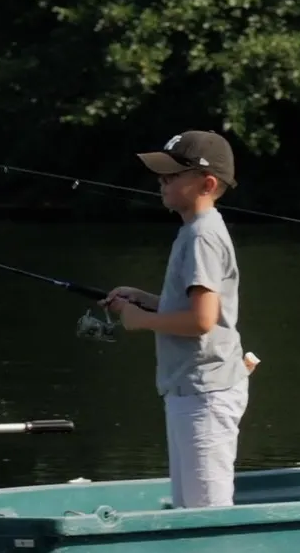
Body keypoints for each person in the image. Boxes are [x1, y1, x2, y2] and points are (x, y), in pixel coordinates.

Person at [101, 130, 250, 509]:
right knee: (189, 507)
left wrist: (140, 320)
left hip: (205, 393)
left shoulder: (202, 236)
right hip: (189, 387)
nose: (162, 182)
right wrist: (146, 300)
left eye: (172, 176)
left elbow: (202, 321)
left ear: (208, 183)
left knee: (208, 510)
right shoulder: (192, 231)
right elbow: (196, 308)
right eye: (161, 175)